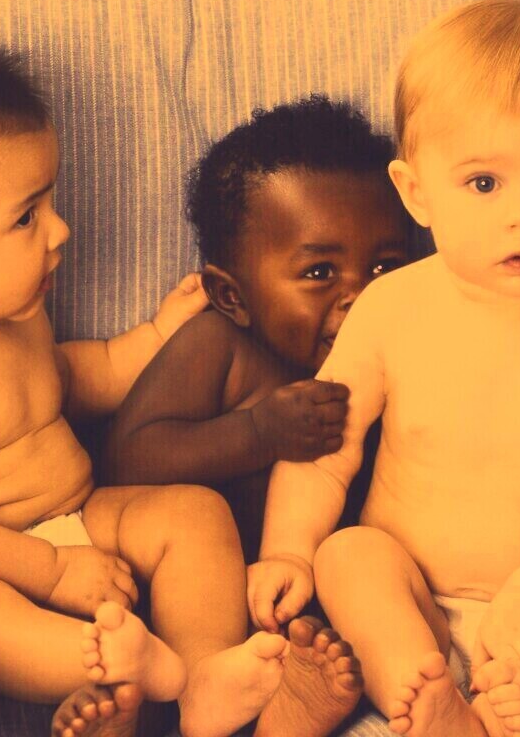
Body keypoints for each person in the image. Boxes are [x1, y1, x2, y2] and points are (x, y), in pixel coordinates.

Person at [0, 30, 332, 737]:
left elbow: (74, 376)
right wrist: (48, 570)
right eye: (25, 217)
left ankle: (202, 675)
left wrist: (155, 338)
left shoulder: (8, 305)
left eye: (49, 203)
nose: (60, 230)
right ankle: (109, 672)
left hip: (86, 516)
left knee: (193, 513)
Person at [248, 0, 520, 737]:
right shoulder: (391, 308)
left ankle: (518, 705)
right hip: (413, 597)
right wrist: (286, 552)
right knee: (348, 554)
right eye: (484, 184)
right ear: (416, 191)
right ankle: (421, 691)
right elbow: (325, 451)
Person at [106, 96, 413, 565]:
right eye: (320, 272)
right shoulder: (220, 347)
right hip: (219, 578)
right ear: (232, 296)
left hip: (358, 577)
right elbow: (126, 461)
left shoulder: (408, 345)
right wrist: (258, 433)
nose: (362, 295)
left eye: (384, 267)